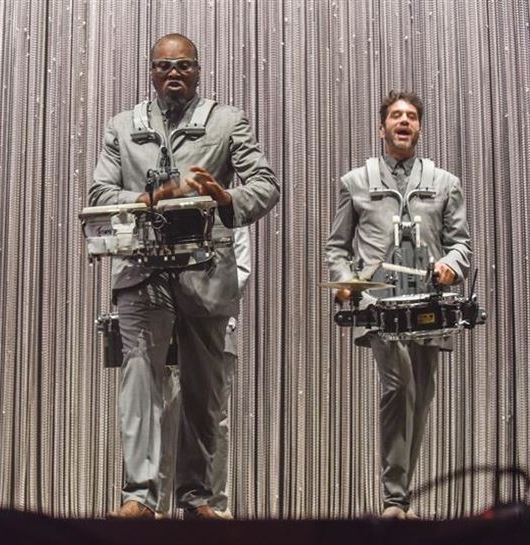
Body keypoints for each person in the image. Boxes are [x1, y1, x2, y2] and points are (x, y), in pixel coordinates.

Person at [89, 33, 279, 519]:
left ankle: (196, 499)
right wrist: (144, 199)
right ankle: (139, 497)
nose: (174, 73)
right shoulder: (121, 126)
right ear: (151, 72)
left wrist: (225, 197)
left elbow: (266, 183)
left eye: (185, 66)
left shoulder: (227, 120)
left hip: (205, 269)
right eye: (164, 66)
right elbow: (99, 191)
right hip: (142, 270)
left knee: (204, 390)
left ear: (198, 71)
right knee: (140, 383)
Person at [325, 91, 471, 519]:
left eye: (411, 117)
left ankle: (401, 496)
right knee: (398, 388)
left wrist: (450, 264)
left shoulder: (445, 183)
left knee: (420, 399)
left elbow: (460, 244)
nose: (403, 122)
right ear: (382, 126)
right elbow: (337, 247)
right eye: (395, 116)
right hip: (380, 306)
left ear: (419, 128)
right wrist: (345, 282)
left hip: (429, 305)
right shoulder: (356, 182)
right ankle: (393, 498)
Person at [156, 226, 251, 519]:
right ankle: (157, 507)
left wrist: (207, 305)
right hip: (169, 329)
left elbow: (241, 269)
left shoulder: (232, 210)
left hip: (216, 326)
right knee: (164, 415)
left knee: (215, 420)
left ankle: (215, 506)